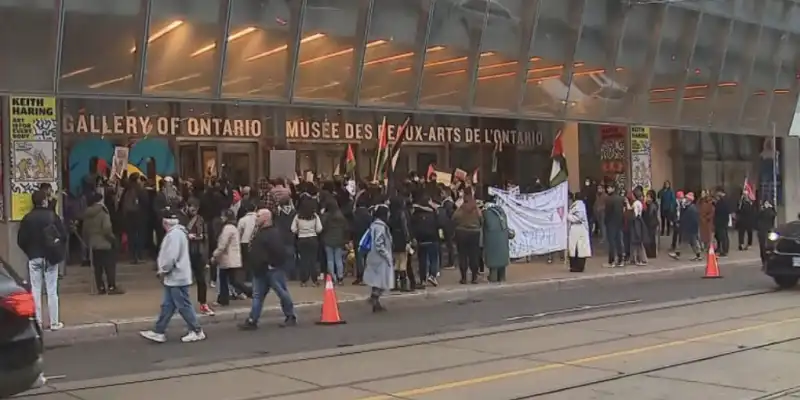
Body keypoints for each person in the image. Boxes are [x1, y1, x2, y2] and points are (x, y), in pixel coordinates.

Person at [139, 210, 206, 343]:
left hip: (177, 276)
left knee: (183, 305)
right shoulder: (178, 233)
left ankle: (197, 330)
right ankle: (159, 331)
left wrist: (163, 270)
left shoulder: (173, 235)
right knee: (168, 306)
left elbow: (171, 256)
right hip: (176, 277)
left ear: (165, 222)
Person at [18, 190, 67, 330]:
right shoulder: (52, 216)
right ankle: (54, 322)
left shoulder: (27, 218)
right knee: (52, 290)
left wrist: (30, 252)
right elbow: (63, 235)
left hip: (34, 257)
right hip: (51, 256)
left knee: (36, 290)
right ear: (45, 201)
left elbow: (21, 240)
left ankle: (37, 322)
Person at [239, 209, 297, 330]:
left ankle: (290, 316)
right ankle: (252, 320)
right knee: (257, 296)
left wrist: (272, 264)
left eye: (259, 216)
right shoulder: (259, 232)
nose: (256, 218)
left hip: (272, 270)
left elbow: (279, 251)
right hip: (259, 270)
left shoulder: (272, 233)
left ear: (266, 218)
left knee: (282, 293)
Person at [81, 192, 124, 295]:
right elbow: (106, 228)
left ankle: (100, 287)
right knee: (109, 266)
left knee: (97, 267)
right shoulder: (103, 212)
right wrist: (112, 239)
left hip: (93, 244)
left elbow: (84, 230)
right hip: (104, 243)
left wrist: (88, 241)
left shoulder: (87, 213)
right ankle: (111, 286)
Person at [211, 209, 249, 306]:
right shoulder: (233, 228)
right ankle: (248, 292)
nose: (221, 218)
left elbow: (222, 245)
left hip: (228, 259)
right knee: (232, 280)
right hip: (232, 258)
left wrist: (214, 255)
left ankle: (250, 292)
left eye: (223, 216)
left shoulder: (227, 229)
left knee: (226, 280)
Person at [185, 198, 214, 316]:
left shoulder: (200, 220)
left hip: (197, 252)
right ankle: (179, 304)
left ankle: (203, 303)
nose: (194, 210)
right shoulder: (181, 218)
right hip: (185, 252)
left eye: (196, 208)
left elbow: (204, 236)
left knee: (201, 280)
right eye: (192, 207)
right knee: (182, 280)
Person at [363, 205, 393, 312]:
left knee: (377, 280)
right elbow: (379, 243)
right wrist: (387, 255)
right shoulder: (380, 227)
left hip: (373, 256)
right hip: (380, 258)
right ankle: (374, 299)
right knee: (382, 280)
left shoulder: (374, 225)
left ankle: (375, 301)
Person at [410, 193, 441, 287]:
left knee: (422, 259)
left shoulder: (415, 213)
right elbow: (439, 224)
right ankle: (432, 275)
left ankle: (423, 278)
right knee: (434, 258)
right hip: (433, 237)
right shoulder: (433, 212)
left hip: (421, 239)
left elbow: (412, 226)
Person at [452, 190, 482, 284]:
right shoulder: (476, 208)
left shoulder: (461, 208)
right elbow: (481, 219)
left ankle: (464, 278)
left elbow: (454, 218)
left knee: (462, 255)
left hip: (462, 233)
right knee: (474, 255)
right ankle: (474, 277)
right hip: (474, 233)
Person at [292, 195, 323, 286]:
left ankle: (303, 281)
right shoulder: (315, 216)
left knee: (303, 260)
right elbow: (319, 228)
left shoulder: (298, 216)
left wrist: (299, 231)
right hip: (313, 238)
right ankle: (314, 280)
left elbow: (293, 229)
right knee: (313, 260)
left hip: (302, 239)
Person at [388, 192, 413, 291]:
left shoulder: (391, 214)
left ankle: (394, 284)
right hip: (401, 239)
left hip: (394, 239)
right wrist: (408, 240)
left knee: (396, 262)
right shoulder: (401, 213)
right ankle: (403, 285)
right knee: (403, 262)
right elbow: (405, 228)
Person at [483, 196, 512, 282]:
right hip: (503, 240)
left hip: (491, 241)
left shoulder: (486, 213)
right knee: (501, 261)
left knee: (494, 263)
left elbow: (485, 226)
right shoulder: (502, 212)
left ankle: (493, 277)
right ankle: (502, 277)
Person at [321, 199, 349, 285]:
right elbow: (346, 229)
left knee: (330, 260)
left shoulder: (326, 216)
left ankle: (332, 277)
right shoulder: (341, 216)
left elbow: (322, 227)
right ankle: (340, 277)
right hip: (339, 240)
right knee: (338, 259)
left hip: (328, 240)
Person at [669, 192, 701, 261]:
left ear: (689, 200)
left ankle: (677, 254)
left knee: (684, 242)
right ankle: (698, 255)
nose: (685, 199)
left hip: (690, 229)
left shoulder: (692, 209)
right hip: (689, 229)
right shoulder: (688, 207)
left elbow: (691, 219)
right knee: (693, 243)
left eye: (686, 198)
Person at [567, 192, 592, 272]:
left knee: (578, 248)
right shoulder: (577, 205)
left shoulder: (579, 205)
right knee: (576, 248)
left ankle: (577, 267)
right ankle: (575, 266)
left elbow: (578, 218)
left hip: (579, 229)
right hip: (577, 229)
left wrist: (568, 216)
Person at [604, 185, 625, 267]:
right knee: (619, 241)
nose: (607, 189)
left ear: (613, 188)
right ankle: (620, 260)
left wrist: (606, 222)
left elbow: (607, 212)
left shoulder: (608, 199)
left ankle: (611, 261)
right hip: (619, 222)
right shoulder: (621, 199)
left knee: (611, 242)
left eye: (609, 187)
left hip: (611, 223)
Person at [237, 202, 257, 281]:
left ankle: (246, 277)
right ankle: (253, 276)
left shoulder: (242, 220)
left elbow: (239, 231)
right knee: (254, 259)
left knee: (245, 260)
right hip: (255, 241)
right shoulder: (258, 218)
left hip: (244, 241)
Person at [756, 200, 777, 266]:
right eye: (765, 203)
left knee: (770, 246)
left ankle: (770, 261)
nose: (766, 204)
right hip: (762, 231)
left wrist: (771, 208)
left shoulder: (771, 211)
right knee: (762, 247)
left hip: (770, 231)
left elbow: (774, 215)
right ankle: (764, 261)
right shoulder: (761, 211)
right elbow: (757, 217)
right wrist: (763, 209)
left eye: (768, 203)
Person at [629, 194, 648, 266]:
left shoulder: (635, 203)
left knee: (636, 241)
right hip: (639, 221)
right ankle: (636, 259)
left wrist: (628, 205)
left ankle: (640, 259)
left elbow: (635, 214)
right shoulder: (640, 203)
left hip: (636, 222)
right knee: (637, 242)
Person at [713, 188, 732, 256]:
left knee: (723, 236)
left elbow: (723, 211)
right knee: (718, 236)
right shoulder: (720, 200)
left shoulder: (724, 200)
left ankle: (724, 250)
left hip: (722, 221)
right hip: (719, 221)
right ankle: (719, 248)